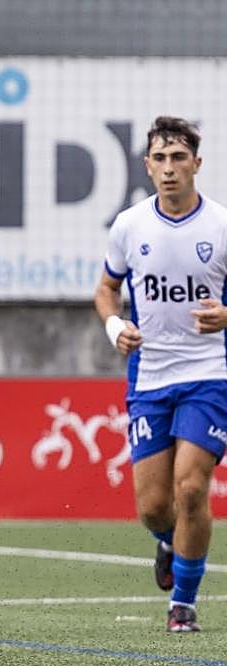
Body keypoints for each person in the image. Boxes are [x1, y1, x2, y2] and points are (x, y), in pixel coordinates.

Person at [95, 115, 227, 634]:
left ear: (196, 163)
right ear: (147, 165)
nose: (169, 168)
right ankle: (168, 542)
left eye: (179, 158)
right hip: (149, 377)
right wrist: (113, 327)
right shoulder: (130, 225)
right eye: (159, 158)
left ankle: (184, 605)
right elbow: (106, 288)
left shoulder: (220, 225)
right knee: (154, 507)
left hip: (209, 374)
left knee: (191, 488)